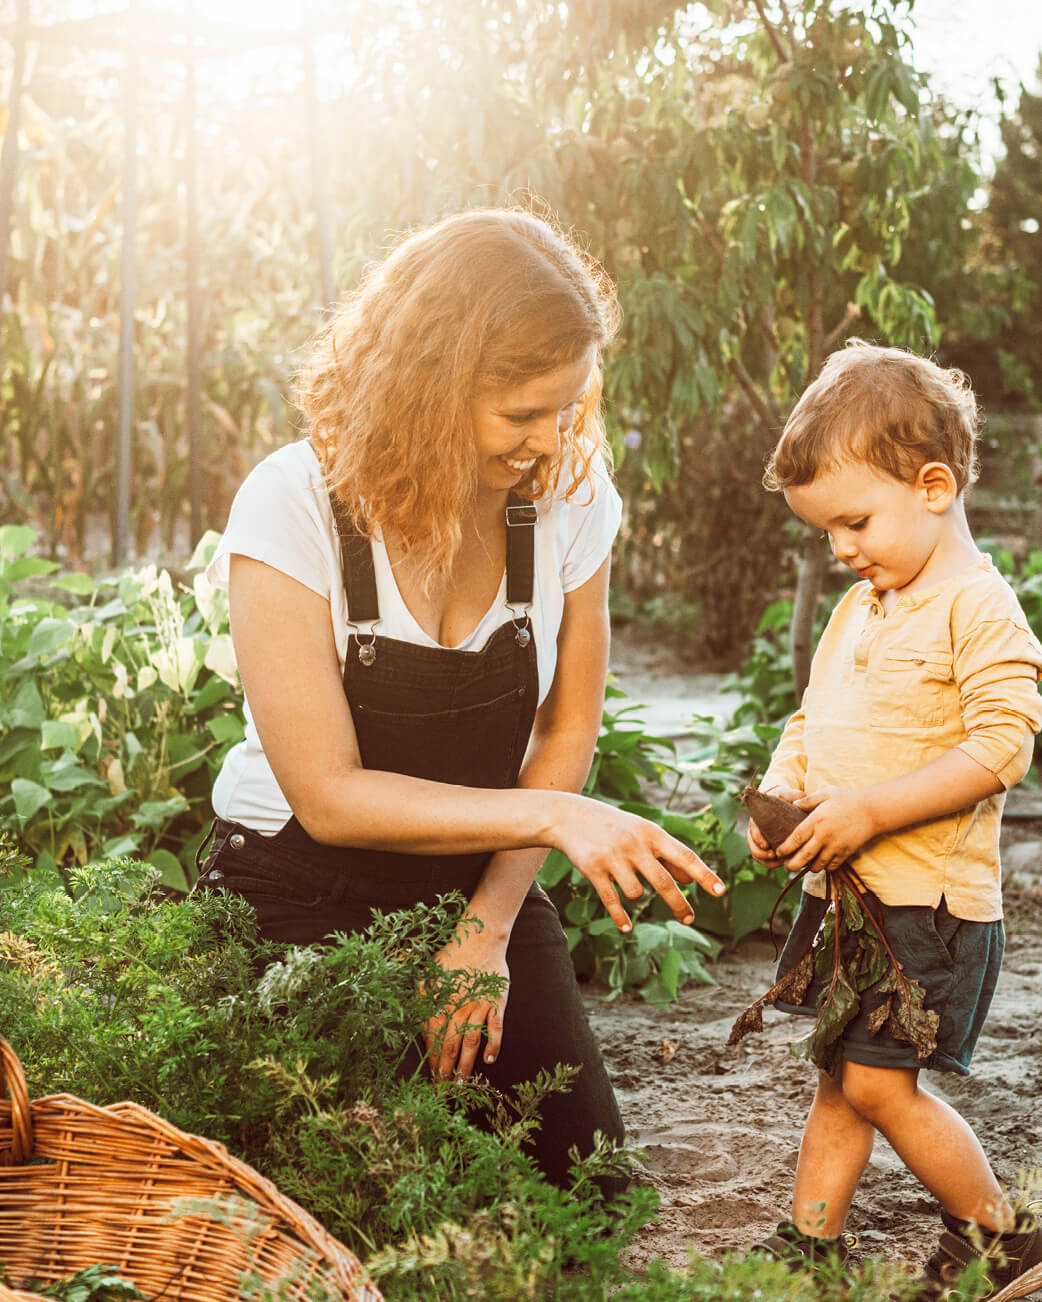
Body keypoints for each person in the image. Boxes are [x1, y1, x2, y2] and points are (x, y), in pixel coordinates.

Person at [194, 207, 727, 1194]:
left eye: (567, 408)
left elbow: (567, 728)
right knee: (372, 1197)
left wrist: (485, 928)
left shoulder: (569, 496)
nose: (550, 440)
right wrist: (557, 815)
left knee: (585, 1196)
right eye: (521, 413)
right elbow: (328, 794)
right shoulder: (296, 503)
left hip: (477, 886)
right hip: (299, 892)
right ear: (426, 389)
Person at [744, 340, 1042, 1298]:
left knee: (877, 1082)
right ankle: (812, 1244)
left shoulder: (979, 608)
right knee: (842, 1069)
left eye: (855, 522)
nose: (841, 549)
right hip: (852, 900)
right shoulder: (859, 611)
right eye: (826, 531)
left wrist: (869, 809)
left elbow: (1004, 747)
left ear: (933, 485)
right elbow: (811, 718)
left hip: (932, 908)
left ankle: (1000, 1235)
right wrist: (784, 792)